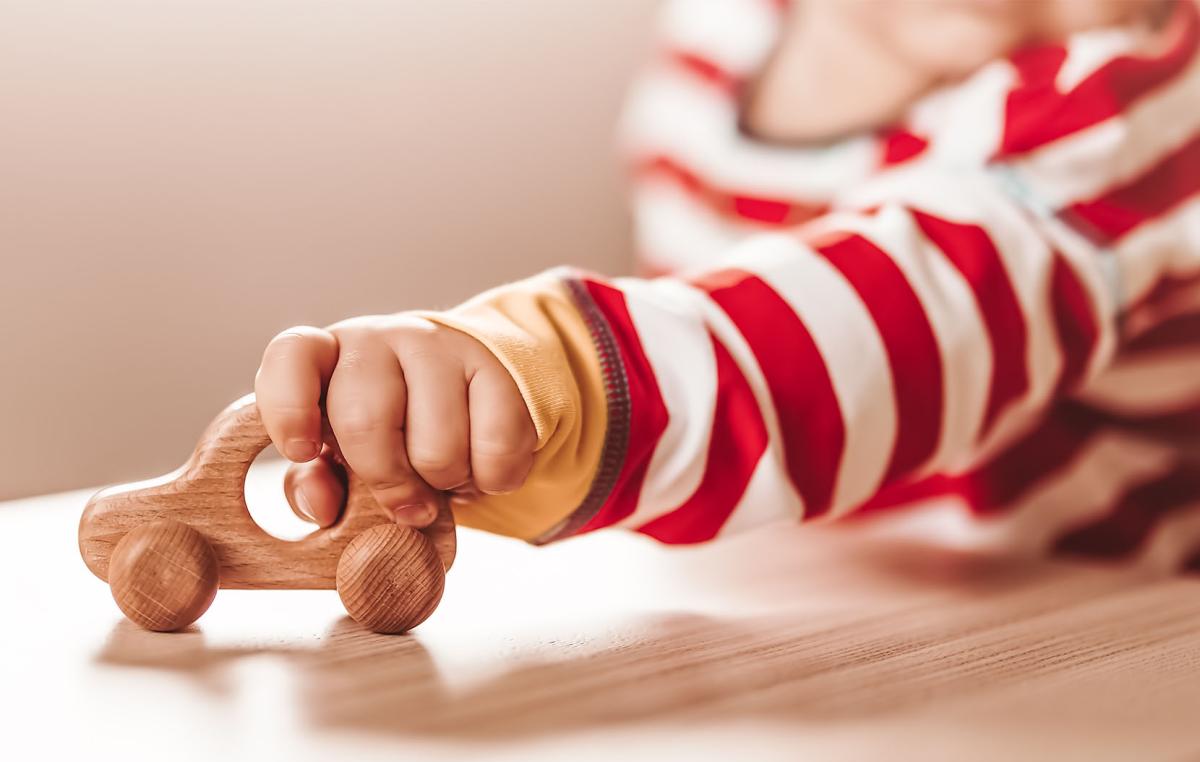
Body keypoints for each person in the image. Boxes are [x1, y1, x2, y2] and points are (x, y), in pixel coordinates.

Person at [253, 0, 1200, 572]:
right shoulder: (721, 39)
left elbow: (886, 331)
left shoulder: (1129, 113)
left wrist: (553, 385)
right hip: (800, 599)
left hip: (1098, 637)